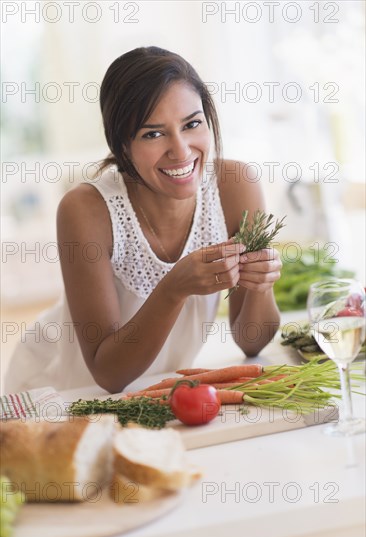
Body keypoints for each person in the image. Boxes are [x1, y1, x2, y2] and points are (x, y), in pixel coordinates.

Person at [5, 46, 282, 394]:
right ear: (122, 144)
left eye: (192, 124)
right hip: (68, 389)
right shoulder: (85, 209)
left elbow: (252, 342)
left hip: (156, 393)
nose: (181, 151)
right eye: (153, 133)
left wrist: (262, 282)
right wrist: (173, 287)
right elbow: (109, 375)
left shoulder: (236, 186)